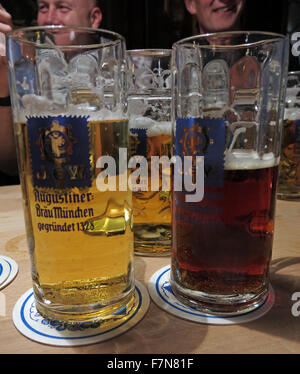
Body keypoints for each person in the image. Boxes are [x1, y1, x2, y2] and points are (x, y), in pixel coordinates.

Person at [0, 0, 102, 185]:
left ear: (94, 18)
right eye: (43, 8)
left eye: (63, 7)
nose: (49, 19)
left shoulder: (119, 68)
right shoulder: (25, 69)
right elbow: (10, 164)